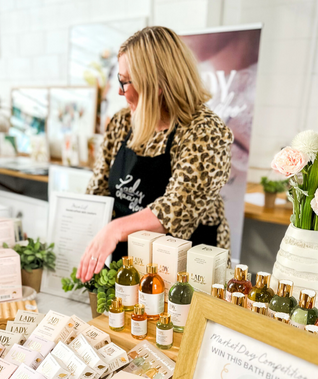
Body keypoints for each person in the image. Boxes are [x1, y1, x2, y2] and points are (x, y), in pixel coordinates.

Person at [77, 26, 233, 283]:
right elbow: (98, 192)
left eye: (125, 82)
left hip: (187, 274)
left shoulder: (205, 131)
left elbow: (175, 210)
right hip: (129, 267)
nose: (120, 91)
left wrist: (116, 228)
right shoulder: (121, 123)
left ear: (157, 84)